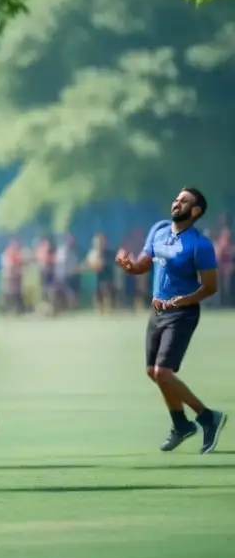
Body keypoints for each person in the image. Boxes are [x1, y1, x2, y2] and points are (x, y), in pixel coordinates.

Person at [115, 187, 226, 454]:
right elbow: (145, 264)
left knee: (163, 373)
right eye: (176, 198)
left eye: (184, 201)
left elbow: (210, 287)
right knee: (152, 371)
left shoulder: (200, 245)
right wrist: (131, 267)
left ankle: (208, 417)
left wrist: (184, 300)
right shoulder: (160, 229)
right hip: (158, 311)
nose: (176, 203)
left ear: (195, 211)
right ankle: (181, 425)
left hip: (182, 314)